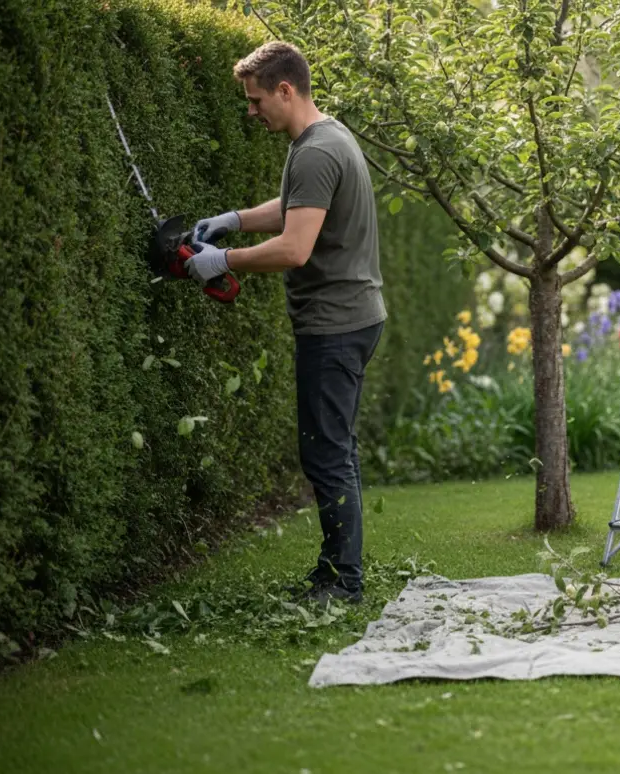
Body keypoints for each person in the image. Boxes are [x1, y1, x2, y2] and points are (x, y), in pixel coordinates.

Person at [186, 40, 384, 604]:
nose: (251, 112)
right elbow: (299, 206)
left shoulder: (316, 151)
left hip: (335, 324)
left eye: (255, 101)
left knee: (326, 454)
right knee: (334, 450)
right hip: (352, 317)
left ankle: (343, 583)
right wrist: (232, 220)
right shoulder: (326, 136)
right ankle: (337, 573)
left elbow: (296, 247)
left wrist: (221, 261)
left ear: (285, 89)